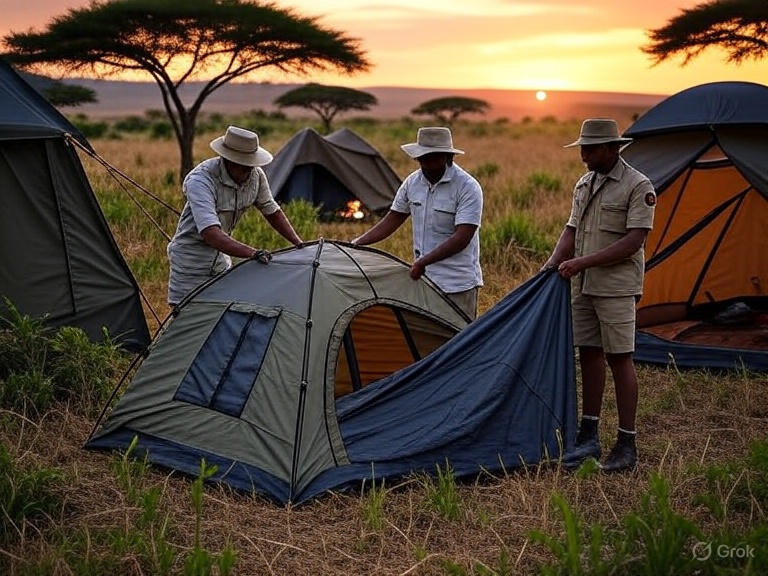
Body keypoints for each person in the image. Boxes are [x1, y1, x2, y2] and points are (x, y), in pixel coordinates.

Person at [543, 118, 655, 472]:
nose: (583, 156)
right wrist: (550, 267)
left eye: (590, 150)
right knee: (588, 355)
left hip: (616, 287)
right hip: (584, 286)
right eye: (582, 149)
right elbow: (571, 230)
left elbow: (634, 241)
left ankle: (626, 443)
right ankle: (588, 437)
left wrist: (581, 262)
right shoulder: (584, 184)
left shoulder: (638, 186)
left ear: (613, 148)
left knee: (620, 358)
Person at [351, 127, 483, 319]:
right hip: (424, 282)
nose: (425, 163)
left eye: (431, 157)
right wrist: (356, 244)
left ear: (447, 157)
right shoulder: (412, 183)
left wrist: (423, 262)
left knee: (459, 341)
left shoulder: (468, 187)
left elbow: (462, 237)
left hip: (457, 284)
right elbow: (392, 219)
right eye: (421, 157)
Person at [167, 125, 303, 306]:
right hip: (190, 264)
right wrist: (253, 254)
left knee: (220, 313)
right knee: (186, 315)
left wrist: (299, 243)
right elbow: (211, 234)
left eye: (251, 166)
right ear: (228, 161)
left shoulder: (255, 175)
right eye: (244, 167)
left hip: (221, 262)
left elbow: (271, 210)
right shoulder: (201, 180)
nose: (248, 172)